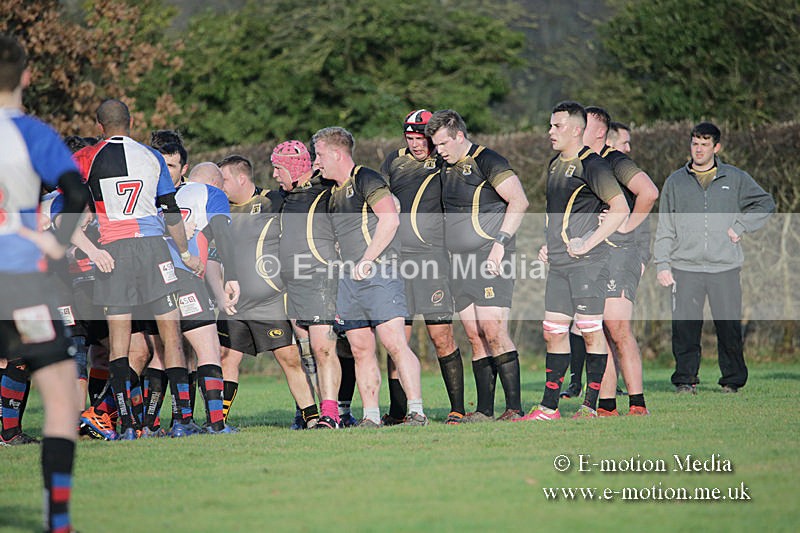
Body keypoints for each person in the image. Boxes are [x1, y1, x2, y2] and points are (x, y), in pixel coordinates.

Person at [0, 33, 89, 531]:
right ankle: (58, 518)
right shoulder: (33, 133)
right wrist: (57, 244)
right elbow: (75, 192)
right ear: (27, 76)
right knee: (59, 397)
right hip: (20, 286)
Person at [73, 98, 202, 440]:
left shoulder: (86, 157)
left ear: (99, 126)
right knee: (171, 336)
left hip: (114, 252)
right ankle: (183, 421)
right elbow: (170, 210)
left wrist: (89, 248)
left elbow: (64, 215)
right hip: (154, 250)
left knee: (119, 344)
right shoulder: (152, 156)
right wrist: (186, 252)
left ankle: (129, 425)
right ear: (131, 123)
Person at [516, 101, 628, 421]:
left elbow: (620, 208)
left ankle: (590, 407)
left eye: (558, 126)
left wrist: (588, 241)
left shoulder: (592, 165)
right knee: (553, 330)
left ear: (576, 130)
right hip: (560, 263)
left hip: (589, 262)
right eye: (550, 125)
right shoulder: (555, 163)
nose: (551, 131)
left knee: (590, 331)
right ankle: (549, 407)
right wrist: (547, 244)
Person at [313, 126, 427, 427]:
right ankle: (371, 416)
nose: (317, 161)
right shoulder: (334, 190)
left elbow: (390, 220)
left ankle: (417, 411)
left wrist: (367, 259)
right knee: (361, 349)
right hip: (350, 279)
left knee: (394, 343)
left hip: (380, 272)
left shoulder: (366, 178)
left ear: (337, 154)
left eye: (320, 154)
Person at [654, 122, 774, 394]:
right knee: (685, 329)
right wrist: (662, 264)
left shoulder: (735, 178)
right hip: (685, 267)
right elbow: (665, 227)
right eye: (695, 143)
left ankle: (732, 381)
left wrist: (741, 226)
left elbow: (766, 203)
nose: (698, 149)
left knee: (729, 327)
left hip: (725, 267)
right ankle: (685, 380)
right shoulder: (675, 182)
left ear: (716, 147)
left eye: (705, 144)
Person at [425, 110, 528, 422]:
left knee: (493, 329)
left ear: (459, 136)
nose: (438, 149)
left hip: (490, 258)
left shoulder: (488, 159)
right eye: (435, 144)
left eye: (443, 143)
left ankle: (514, 408)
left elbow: (520, 201)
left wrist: (500, 244)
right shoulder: (443, 166)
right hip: (459, 263)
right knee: (473, 334)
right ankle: (484, 410)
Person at [565, 106, 659, 416]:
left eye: (583, 125)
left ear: (599, 133)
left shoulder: (614, 160)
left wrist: (628, 225)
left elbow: (648, 192)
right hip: (591, 256)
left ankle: (637, 403)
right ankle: (606, 406)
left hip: (620, 253)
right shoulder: (578, 164)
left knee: (617, 327)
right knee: (598, 329)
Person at [214, 155, 318, 427]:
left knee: (288, 358)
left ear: (241, 178)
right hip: (234, 304)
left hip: (270, 301)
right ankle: (218, 422)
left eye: (223, 180)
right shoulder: (220, 208)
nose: (219, 186)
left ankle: (311, 417)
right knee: (226, 358)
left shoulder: (273, 200)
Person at [380, 110, 465, 425]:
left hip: (432, 262)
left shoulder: (445, 160)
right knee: (395, 340)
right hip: (398, 263)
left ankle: (457, 408)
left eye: (421, 138)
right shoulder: (394, 162)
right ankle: (399, 411)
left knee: (441, 336)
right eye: (410, 137)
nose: (416, 144)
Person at [273, 140, 342, 429]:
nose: (275, 175)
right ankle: (311, 413)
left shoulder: (325, 191)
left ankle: (332, 413)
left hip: (320, 279)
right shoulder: (280, 197)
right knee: (304, 351)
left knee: (323, 348)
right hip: (291, 283)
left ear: (293, 168)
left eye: (278, 169)